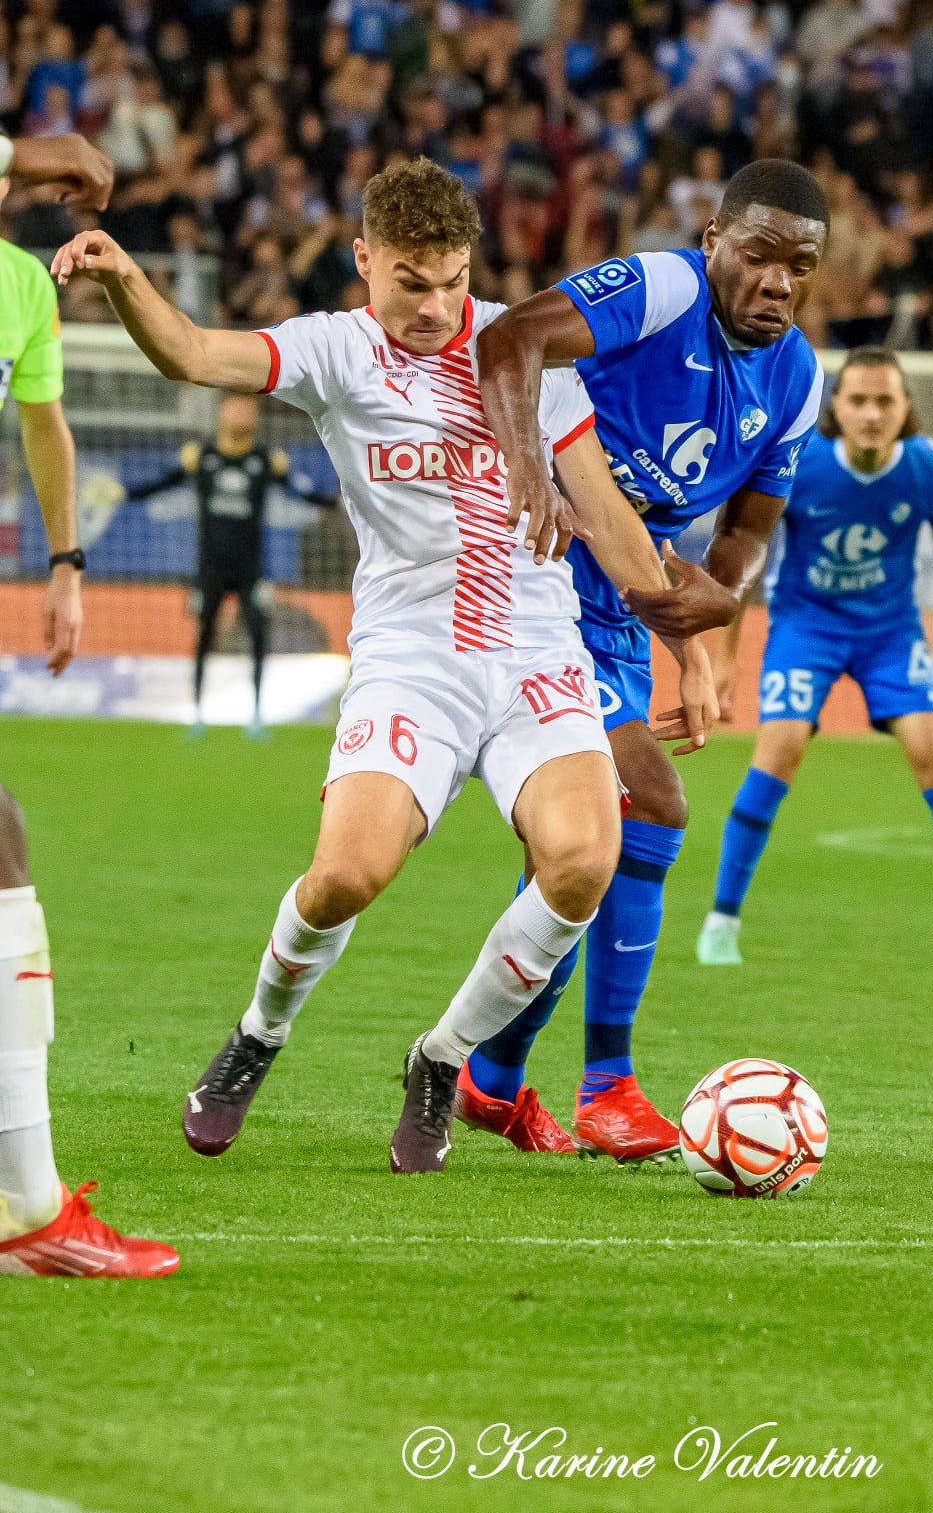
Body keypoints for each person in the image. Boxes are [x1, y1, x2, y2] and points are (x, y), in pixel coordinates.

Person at [50, 158, 716, 1175]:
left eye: (451, 278)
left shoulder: (523, 353)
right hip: (412, 656)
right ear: (364, 260)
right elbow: (190, 354)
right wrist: (124, 276)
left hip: (537, 652)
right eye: (410, 279)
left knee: (583, 860)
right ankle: (257, 1036)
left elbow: (615, 526)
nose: (435, 303)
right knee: (344, 876)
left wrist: (689, 641)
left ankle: (440, 1058)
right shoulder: (334, 350)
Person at [462, 159, 827, 1162]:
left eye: (798, 265)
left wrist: (722, 596)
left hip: (616, 612)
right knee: (642, 808)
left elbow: (750, 520)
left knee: (591, 845)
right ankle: (597, 1084)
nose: (775, 281)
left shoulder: (795, 379)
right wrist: (529, 467)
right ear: (713, 240)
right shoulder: (661, 291)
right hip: (531, 581)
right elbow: (511, 338)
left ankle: (493, 1079)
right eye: (756, 254)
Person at [0, 129, 180, 1276]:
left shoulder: (22, 287)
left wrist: (66, 559)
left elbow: (44, 422)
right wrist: (40, 145)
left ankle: (30, 1201)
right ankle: (30, 1208)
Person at [697, 348, 933, 977]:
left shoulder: (931, 472)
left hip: (890, 634)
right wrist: (725, 656)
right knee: (777, 751)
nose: (871, 413)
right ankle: (721, 921)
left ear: (906, 410)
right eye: (859, 400)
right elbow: (742, 554)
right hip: (805, 628)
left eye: (885, 401)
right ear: (835, 409)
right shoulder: (799, 466)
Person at [116, 393, 339, 734]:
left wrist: (337, 501)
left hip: (252, 567)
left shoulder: (266, 460)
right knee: (205, 634)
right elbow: (162, 484)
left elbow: (300, 492)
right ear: (220, 413)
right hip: (210, 566)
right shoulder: (200, 457)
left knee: (258, 635)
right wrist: (124, 494)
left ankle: (256, 716)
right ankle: (198, 713)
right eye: (235, 406)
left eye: (248, 407)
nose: (242, 412)